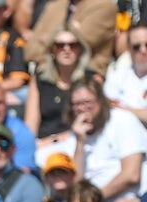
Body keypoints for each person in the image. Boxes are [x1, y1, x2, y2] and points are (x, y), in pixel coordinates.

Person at [52, 77, 147, 202]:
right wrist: (80, 143)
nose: (82, 108)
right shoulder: (75, 135)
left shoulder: (122, 121)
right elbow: (76, 184)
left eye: (87, 102)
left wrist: (92, 201)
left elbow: (131, 175)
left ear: (101, 102)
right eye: (77, 104)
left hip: (131, 199)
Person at [24, 26, 92, 157]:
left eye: (72, 45)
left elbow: (91, 123)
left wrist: (53, 140)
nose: (67, 49)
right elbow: (30, 128)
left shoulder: (90, 81)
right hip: (42, 148)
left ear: (80, 50)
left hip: (77, 144)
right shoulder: (40, 81)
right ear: (52, 50)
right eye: (60, 45)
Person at [23, 0, 117, 79]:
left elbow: (82, 44)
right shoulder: (54, 6)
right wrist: (74, 30)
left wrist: (47, 39)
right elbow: (30, 51)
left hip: (84, 79)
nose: (65, 47)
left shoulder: (104, 7)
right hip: (46, 77)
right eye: (59, 45)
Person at [104, 22, 147, 126]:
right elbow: (106, 110)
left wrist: (123, 108)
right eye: (137, 46)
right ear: (129, 49)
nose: (143, 50)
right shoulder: (116, 77)